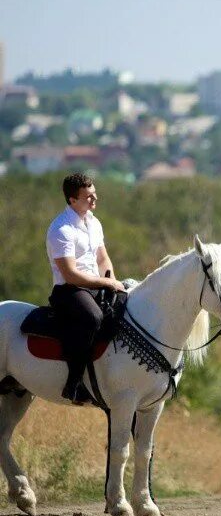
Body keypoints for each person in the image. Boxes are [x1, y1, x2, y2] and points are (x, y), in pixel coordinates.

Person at [46, 173, 125, 404]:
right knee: (92, 317)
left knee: (124, 309)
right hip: (69, 290)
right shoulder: (61, 229)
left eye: (94, 194)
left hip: (95, 284)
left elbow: (102, 259)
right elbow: (70, 274)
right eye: (88, 197)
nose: (94, 200)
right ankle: (74, 384)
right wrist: (106, 283)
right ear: (72, 200)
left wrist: (112, 280)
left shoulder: (94, 222)